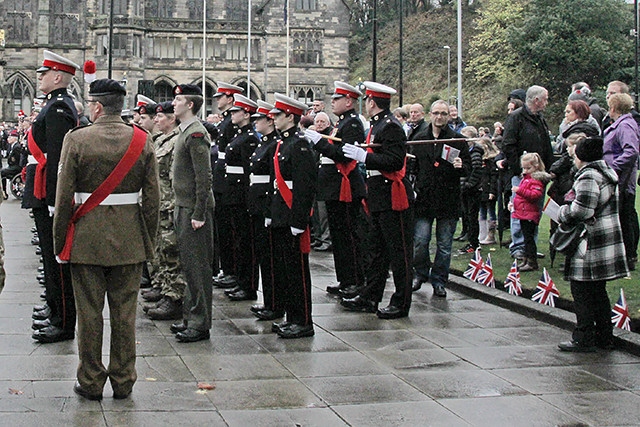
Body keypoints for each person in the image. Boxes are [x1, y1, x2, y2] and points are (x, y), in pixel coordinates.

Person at [52, 78, 160, 400]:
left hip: (87, 240)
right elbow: (153, 198)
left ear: (97, 106)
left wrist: (60, 244)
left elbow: (63, 199)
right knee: (125, 315)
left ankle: (90, 381)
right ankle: (124, 380)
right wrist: (148, 242)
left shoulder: (77, 139)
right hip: (129, 241)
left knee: (89, 315)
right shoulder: (142, 139)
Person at [340, 81, 414, 317]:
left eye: (368, 101)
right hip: (378, 194)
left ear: (372, 102)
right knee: (376, 250)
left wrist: (364, 157)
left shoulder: (390, 126)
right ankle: (371, 295)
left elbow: (394, 160)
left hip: (391, 194)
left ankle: (401, 302)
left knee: (399, 252)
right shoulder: (379, 124)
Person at [557, 136, 629, 352]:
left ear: (580, 155)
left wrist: (562, 211)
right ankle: (604, 336)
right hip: (605, 239)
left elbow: (582, 211)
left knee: (582, 291)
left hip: (591, 241)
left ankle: (584, 337)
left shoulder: (588, 176)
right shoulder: (607, 171)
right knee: (598, 292)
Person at [29, 50, 79, 344]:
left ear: (58, 77)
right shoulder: (53, 105)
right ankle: (53, 309)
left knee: (57, 258)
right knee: (49, 257)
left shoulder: (60, 108)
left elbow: (59, 157)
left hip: (49, 190)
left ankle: (63, 322)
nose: (40, 77)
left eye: (44, 73)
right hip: (41, 186)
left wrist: (53, 199)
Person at [305, 81, 366, 299]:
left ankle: (355, 280)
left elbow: (344, 155)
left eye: (337, 98)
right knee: (340, 238)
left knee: (349, 237)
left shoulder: (352, 124)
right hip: (334, 186)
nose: (333, 101)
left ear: (348, 101)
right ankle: (345, 279)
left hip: (345, 185)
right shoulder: (343, 123)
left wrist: (320, 143)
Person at [266, 93, 317, 338]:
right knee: (285, 270)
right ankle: (291, 316)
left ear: (290, 116)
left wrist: (299, 220)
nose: (274, 118)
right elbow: (274, 181)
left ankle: (304, 320)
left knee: (297, 271)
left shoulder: (300, 144)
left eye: (278, 115)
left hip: (292, 215)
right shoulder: (282, 142)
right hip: (279, 212)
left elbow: (305, 187)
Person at [408, 100, 470, 296]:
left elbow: (468, 168)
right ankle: (420, 273)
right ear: (430, 114)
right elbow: (412, 168)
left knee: (444, 245)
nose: (440, 116)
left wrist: (461, 166)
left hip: (447, 199)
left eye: (443, 113)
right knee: (420, 242)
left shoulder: (457, 140)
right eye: (436, 113)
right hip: (424, 199)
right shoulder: (419, 138)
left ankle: (440, 280)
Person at [169, 84, 215, 343]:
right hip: (182, 205)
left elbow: (203, 177)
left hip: (193, 210)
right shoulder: (185, 131)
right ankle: (191, 316)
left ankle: (200, 323)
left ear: (190, 105)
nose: (174, 103)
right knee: (188, 265)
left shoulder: (196, 134)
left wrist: (199, 212)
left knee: (198, 267)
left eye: (178, 99)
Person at [141, 101, 187, 320]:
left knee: (171, 253)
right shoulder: (160, 139)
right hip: (158, 203)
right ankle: (163, 288)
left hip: (169, 203)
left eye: (161, 117)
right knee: (160, 249)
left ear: (171, 119)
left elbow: (175, 176)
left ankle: (175, 297)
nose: (156, 119)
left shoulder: (178, 140)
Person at [502, 85, 554, 261]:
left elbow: (546, 144)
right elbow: (508, 145)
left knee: (534, 212)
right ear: (536, 100)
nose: (547, 103)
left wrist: (547, 169)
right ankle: (518, 246)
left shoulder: (539, 119)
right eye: (545, 99)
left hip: (539, 174)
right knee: (519, 210)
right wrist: (520, 170)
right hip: (522, 174)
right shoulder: (516, 118)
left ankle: (530, 247)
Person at [220, 94, 260, 301]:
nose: (232, 114)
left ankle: (248, 284)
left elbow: (248, 172)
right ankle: (240, 281)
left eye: (236, 111)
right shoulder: (238, 136)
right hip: (232, 194)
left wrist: (248, 199)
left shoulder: (250, 138)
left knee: (246, 242)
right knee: (238, 239)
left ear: (246, 114)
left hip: (241, 195)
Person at [248, 101, 281, 320]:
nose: (255, 123)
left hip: (266, 204)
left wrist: (269, 210)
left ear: (269, 121)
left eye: (258, 119)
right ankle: (269, 301)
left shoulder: (273, 145)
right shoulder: (263, 144)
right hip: (257, 204)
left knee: (270, 260)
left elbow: (273, 181)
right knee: (263, 256)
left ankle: (274, 303)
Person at [211, 82, 243, 289]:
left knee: (230, 230)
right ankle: (228, 268)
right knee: (224, 229)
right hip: (222, 179)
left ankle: (232, 270)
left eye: (220, 97)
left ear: (230, 99)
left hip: (229, 181)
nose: (217, 100)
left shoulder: (231, 123)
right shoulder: (225, 122)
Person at [603, 92, 640, 271]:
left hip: (622, 181)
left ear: (613, 108)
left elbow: (631, 152)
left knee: (624, 218)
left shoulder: (625, 126)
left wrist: (612, 167)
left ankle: (628, 257)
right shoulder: (622, 124)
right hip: (619, 178)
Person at [510, 153, 550, 271]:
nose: (525, 170)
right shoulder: (526, 179)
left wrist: (520, 190)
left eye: (528, 168)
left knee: (529, 239)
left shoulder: (536, 180)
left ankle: (532, 261)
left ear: (536, 167)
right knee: (526, 238)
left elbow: (535, 195)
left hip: (530, 214)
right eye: (524, 168)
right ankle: (526, 259)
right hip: (523, 212)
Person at [458, 126, 484, 254]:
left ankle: (474, 242)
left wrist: (469, 184)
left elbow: (477, 170)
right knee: (467, 215)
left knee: (472, 216)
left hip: (472, 189)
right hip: (465, 187)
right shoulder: (466, 152)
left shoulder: (475, 153)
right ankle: (470, 239)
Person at [1, 130, 23, 199]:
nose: (8, 139)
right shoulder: (11, 146)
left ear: (14, 138)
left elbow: (17, 160)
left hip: (16, 166)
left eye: (10, 137)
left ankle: (4, 192)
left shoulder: (17, 147)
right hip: (12, 165)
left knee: (2, 172)